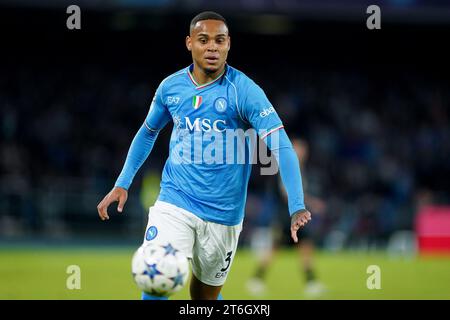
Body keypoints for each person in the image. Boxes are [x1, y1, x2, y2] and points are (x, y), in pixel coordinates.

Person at [96, 11, 311, 300]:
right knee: (154, 277)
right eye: (203, 40)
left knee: (203, 298)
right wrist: (123, 182)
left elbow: (282, 145)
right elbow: (148, 132)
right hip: (175, 202)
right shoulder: (170, 88)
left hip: (224, 216)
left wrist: (297, 205)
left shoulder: (245, 91)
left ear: (229, 44)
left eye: (219, 40)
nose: (212, 47)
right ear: (189, 43)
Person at [247, 138, 327, 298]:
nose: (303, 153)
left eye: (304, 150)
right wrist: (312, 202)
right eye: (299, 149)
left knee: (305, 246)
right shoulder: (287, 167)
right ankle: (256, 279)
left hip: (294, 214)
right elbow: (287, 194)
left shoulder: (300, 169)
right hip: (286, 215)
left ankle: (311, 282)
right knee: (275, 248)